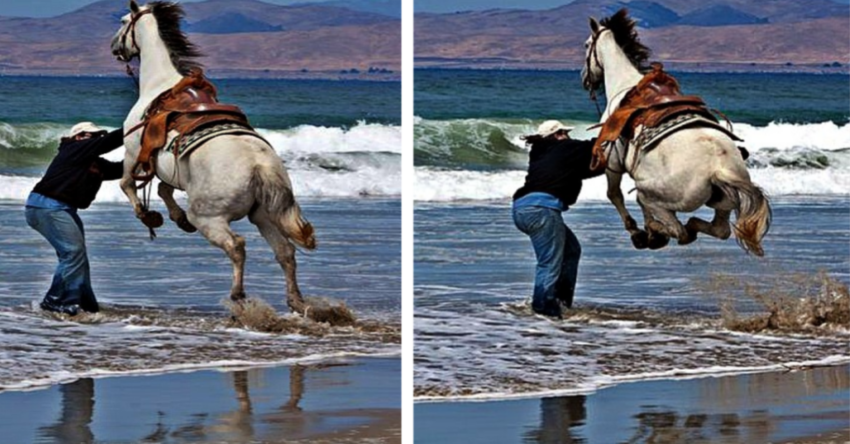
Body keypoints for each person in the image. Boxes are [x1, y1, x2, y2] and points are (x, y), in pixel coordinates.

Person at [25, 122, 125, 316]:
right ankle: (53, 302)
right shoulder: (72, 149)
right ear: (79, 137)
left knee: (77, 257)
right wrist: (136, 125)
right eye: (92, 135)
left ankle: (85, 304)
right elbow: (111, 141)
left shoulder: (95, 163)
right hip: (46, 207)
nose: (97, 139)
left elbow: (122, 169)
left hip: (63, 209)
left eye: (99, 135)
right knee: (73, 253)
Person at [512, 120, 602, 318]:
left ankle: (561, 302)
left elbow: (577, 170)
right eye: (565, 133)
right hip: (541, 210)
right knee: (549, 262)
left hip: (523, 209)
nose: (569, 136)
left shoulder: (540, 152)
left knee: (571, 251)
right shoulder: (565, 148)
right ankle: (544, 309)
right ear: (559, 134)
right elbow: (596, 146)